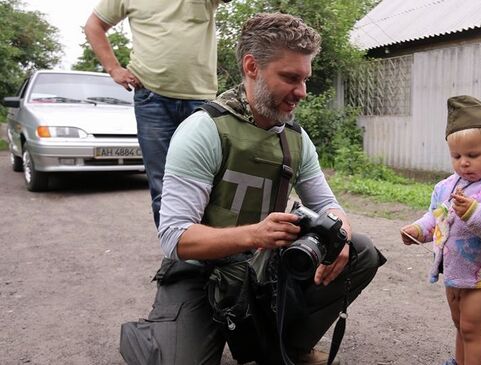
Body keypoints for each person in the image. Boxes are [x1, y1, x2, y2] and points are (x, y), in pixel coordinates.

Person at [119, 13, 385, 365]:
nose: (302, 92)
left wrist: (340, 233)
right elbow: (174, 237)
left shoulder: (295, 138)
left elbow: (327, 204)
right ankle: (162, 332)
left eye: (305, 79)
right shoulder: (203, 130)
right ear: (252, 67)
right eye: (290, 78)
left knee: (360, 249)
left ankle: (285, 346)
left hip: (262, 272)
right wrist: (256, 235)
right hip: (201, 273)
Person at [400, 96, 481, 365]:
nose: (463, 163)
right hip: (454, 272)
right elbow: (436, 217)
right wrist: (418, 230)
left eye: (472, 155)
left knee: (472, 330)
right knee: (460, 326)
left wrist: (474, 213)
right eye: (456, 156)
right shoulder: (446, 186)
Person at [84, 0, 230, 227]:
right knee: (164, 185)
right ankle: (177, 257)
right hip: (151, 98)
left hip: (200, 100)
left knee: (212, 182)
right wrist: (114, 68)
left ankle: (213, 250)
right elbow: (94, 25)